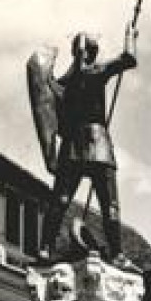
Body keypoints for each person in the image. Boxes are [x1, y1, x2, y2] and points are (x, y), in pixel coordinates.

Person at [39, 32, 136, 261]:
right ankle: (118, 253)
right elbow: (129, 58)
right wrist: (130, 35)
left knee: (60, 200)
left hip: (72, 146)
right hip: (99, 145)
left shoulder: (59, 84)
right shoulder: (97, 71)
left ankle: (45, 247)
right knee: (109, 206)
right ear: (94, 53)